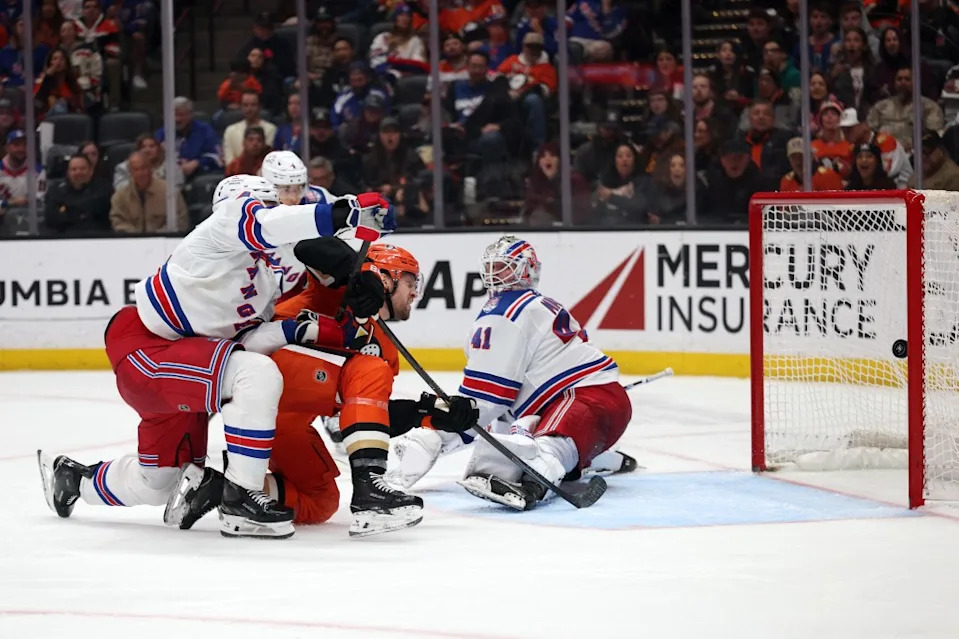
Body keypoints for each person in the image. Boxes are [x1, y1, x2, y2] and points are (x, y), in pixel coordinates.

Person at [37, 175, 395, 540]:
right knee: (255, 374)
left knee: (159, 481)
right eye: (268, 203)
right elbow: (270, 226)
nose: (274, 210)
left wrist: (330, 331)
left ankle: (74, 480)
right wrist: (345, 212)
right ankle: (241, 498)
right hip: (146, 349)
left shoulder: (262, 279)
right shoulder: (222, 227)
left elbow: (250, 338)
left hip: (185, 365)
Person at [164, 241, 479, 536]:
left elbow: (368, 414)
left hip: (283, 424)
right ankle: (370, 488)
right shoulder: (336, 291)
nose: (415, 293)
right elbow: (309, 246)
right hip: (259, 373)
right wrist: (360, 277)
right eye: (410, 283)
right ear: (386, 277)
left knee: (320, 501)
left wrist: (426, 414)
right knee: (369, 369)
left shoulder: (386, 350)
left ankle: (218, 488)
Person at [386, 235, 634, 511]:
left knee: (545, 449)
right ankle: (598, 458)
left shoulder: (506, 313)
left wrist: (435, 435)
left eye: (504, 266)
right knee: (516, 434)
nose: (495, 273)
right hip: (589, 402)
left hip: (586, 398)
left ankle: (534, 483)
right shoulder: (532, 304)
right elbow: (494, 412)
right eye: (492, 267)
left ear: (527, 270)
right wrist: (442, 432)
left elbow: (485, 401)